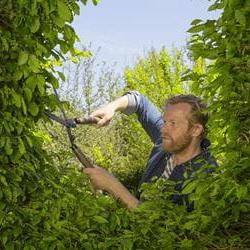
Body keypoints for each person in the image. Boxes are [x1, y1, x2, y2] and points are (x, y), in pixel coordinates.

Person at [80, 91, 216, 210]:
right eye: (164, 122)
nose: (163, 129)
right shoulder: (168, 141)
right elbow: (139, 101)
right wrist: (111, 108)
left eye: (173, 123)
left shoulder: (206, 178)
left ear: (195, 130)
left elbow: (167, 231)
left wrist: (112, 186)